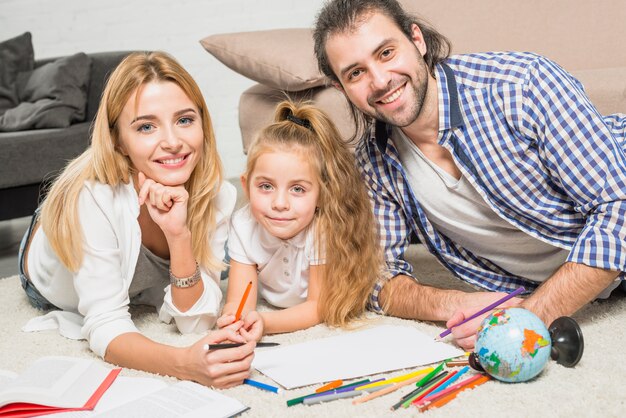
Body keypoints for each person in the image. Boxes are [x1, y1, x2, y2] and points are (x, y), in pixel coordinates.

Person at [313, 0, 626, 349]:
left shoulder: (522, 84)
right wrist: (454, 302)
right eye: (356, 73)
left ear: (416, 40)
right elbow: (375, 278)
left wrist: (529, 317)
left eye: (386, 53)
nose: (380, 81)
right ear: (341, 88)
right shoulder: (375, 161)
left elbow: (618, 210)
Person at [18, 51, 260, 388]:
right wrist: (184, 364)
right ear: (118, 139)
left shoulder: (215, 193)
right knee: (73, 204)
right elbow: (105, 325)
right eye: (146, 126)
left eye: (185, 120)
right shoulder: (94, 197)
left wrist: (178, 235)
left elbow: (197, 322)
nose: (173, 142)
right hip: (47, 262)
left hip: (128, 230)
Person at [216, 100, 381, 335]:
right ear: (246, 185)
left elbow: (317, 307)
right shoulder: (244, 223)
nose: (280, 204)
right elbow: (240, 298)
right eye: (265, 186)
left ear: (322, 196)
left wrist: (265, 323)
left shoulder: (322, 228)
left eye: (298, 189)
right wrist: (234, 319)